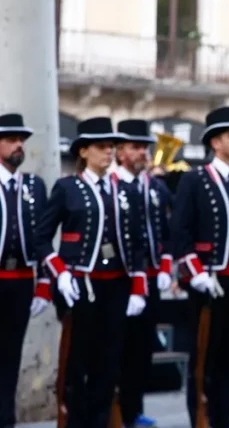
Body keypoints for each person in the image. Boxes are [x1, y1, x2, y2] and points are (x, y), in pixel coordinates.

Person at [38, 117, 147, 427]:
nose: (109, 152)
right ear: (83, 151)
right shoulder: (66, 188)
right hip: (80, 286)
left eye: (112, 147)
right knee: (76, 364)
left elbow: (137, 243)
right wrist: (59, 272)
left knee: (109, 363)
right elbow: (42, 237)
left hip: (117, 287)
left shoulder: (125, 190)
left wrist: (138, 287)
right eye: (102, 147)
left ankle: (100, 421)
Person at [171, 106, 229, 427]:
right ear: (215, 143)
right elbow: (180, 233)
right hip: (209, 279)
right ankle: (201, 413)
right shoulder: (195, 180)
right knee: (205, 354)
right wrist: (194, 273)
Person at [115, 119, 174, 428]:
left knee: (143, 348)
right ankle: (117, 412)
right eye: (136, 147)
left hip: (152, 277)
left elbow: (166, 231)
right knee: (119, 347)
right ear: (120, 150)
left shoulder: (155, 186)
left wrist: (166, 266)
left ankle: (133, 408)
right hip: (122, 279)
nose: (143, 153)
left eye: (145, 147)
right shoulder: (114, 184)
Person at [0, 113, 50, 427]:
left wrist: (44, 282)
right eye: (11, 140)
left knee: (10, 355)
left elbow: (43, 238)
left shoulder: (34, 185)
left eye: (22, 140)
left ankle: (6, 418)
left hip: (20, 280)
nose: (19, 146)